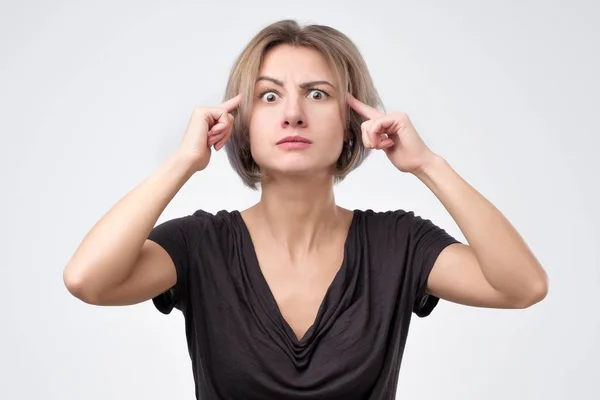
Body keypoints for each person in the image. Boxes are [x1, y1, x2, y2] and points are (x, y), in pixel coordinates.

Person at [63, 19, 549, 399]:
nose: (293, 113)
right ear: (243, 123)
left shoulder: (397, 244)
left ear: (349, 122)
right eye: (269, 95)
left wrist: (427, 164)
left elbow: (522, 286)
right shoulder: (199, 246)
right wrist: (183, 163)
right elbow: (88, 280)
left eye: (318, 94)